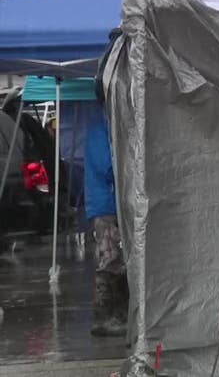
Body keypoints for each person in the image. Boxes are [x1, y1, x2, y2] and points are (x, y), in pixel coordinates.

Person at [84, 107, 128, 337]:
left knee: (116, 259)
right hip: (106, 205)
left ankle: (116, 315)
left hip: (109, 203)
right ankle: (105, 317)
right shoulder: (101, 130)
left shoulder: (104, 127)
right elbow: (109, 167)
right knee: (109, 259)